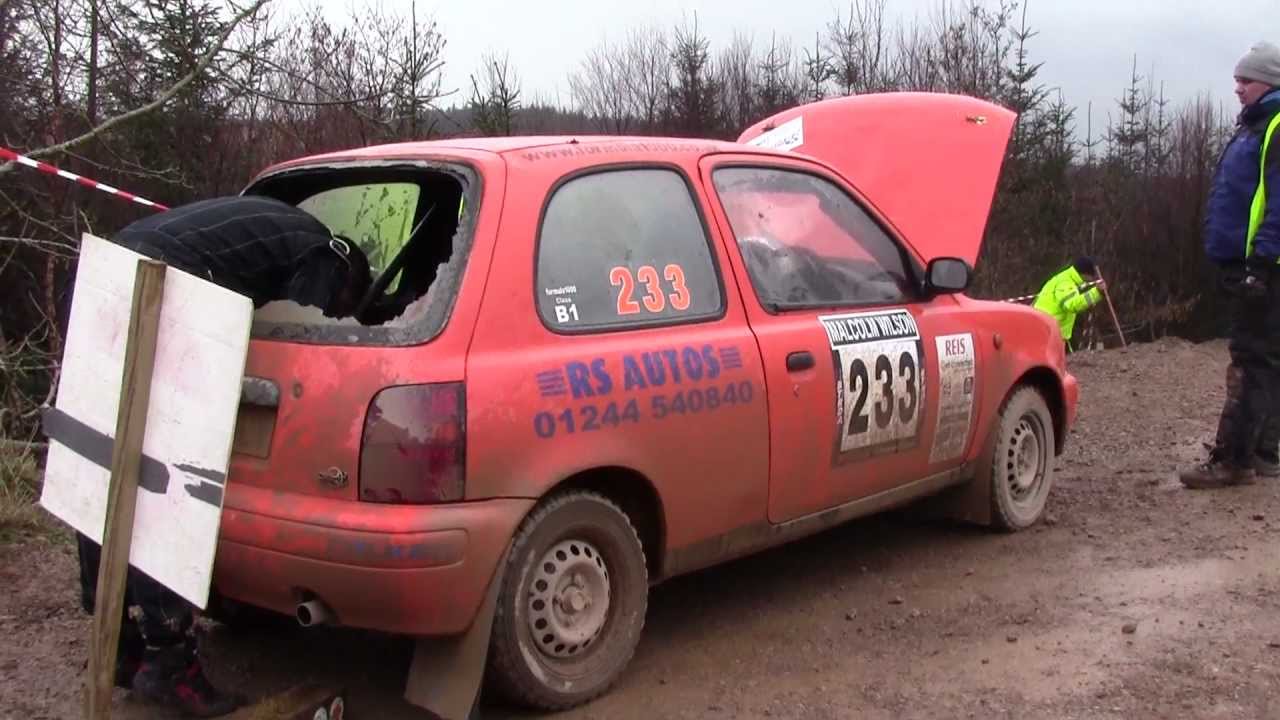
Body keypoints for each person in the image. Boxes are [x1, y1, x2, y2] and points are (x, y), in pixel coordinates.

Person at [76, 195, 373, 717]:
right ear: (348, 276)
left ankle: (121, 645)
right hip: (169, 284)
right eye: (346, 302)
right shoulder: (327, 255)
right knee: (164, 483)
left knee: (107, 462)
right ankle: (170, 664)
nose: (338, 307)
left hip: (111, 265)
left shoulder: (280, 220)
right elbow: (305, 334)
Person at [1179, 41, 1280, 489]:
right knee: (1266, 357)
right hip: (1249, 262)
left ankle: (1233, 460)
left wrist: (1260, 262)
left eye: (1245, 80)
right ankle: (1263, 452)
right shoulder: (1256, 126)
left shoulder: (1274, 128)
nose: (1236, 87)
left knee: (1250, 359)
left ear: (1269, 82)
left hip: (1261, 265)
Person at [1031, 257, 1104, 352]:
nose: (1091, 280)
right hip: (1048, 333)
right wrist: (1096, 292)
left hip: (1048, 330)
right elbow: (1072, 304)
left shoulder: (1066, 278)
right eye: (1091, 277)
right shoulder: (1065, 283)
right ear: (1085, 274)